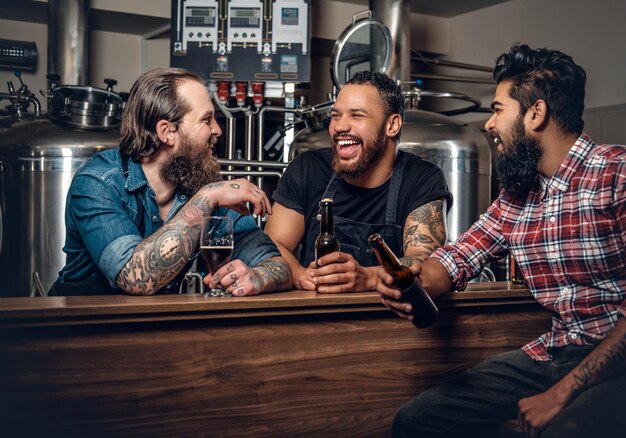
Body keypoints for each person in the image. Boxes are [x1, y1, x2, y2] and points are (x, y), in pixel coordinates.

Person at [376, 44, 626, 437]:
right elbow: (457, 258)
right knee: (416, 421)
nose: (489, 125)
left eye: (496, 110)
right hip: (555, 353)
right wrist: (414, 279)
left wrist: (563, 393)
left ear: (536, 114)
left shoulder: (617, 175)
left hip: (617, 362)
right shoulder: (518, 196)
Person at [50, 67, 291, 296]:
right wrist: (208, 197)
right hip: (77, 330)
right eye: (206, 120)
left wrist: (256, 277)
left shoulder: (196, 183)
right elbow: (135, 278)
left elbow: (278, 265)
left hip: (153, 329)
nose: (217, 130)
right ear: (167, 131)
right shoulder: (98, 183)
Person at [264, 71, 452, 293]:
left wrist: (367, 277)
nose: (340, 126)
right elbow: (274, 244)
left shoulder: (421, 179)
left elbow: (423, 263)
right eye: (335, 115)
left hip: (390, 319)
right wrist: (300, 274)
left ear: (392, 125)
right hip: (314, 315)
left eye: (357, 115)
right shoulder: (308, 169)